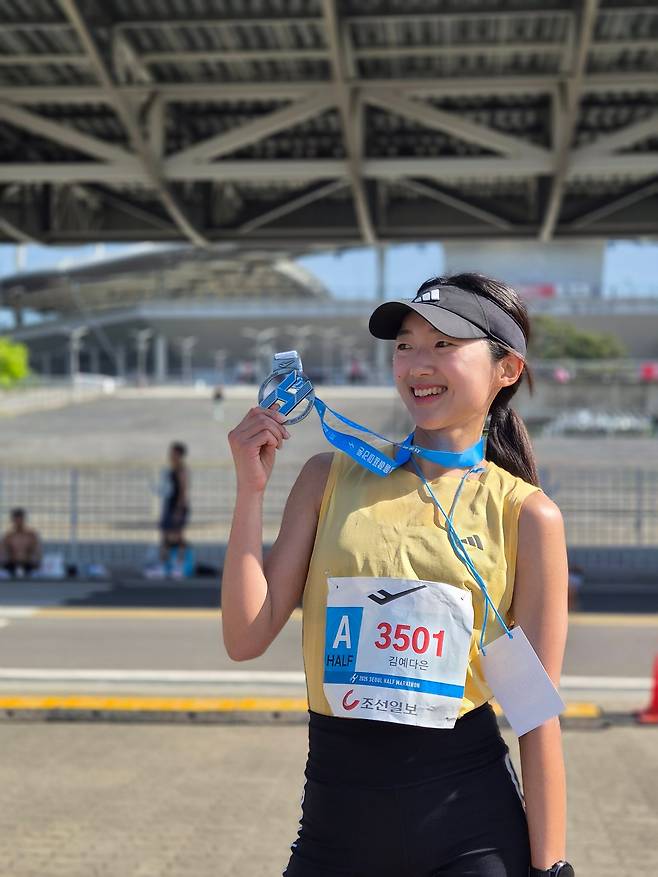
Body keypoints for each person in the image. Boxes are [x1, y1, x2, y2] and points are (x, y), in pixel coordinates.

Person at [223, 273, 572, 877]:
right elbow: (245, 637)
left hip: (473, 833)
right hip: (334, 829)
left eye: (444, 345)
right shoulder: (327, 477)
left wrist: (551, 869)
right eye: (405, 345)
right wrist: (249, 492)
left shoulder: (526, 513)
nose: (417, 363)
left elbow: (536, 714)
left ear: (506, 370)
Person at [159, 441, 190, 564]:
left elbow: (183, 491)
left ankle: (180, 562)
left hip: (177, 506)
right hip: (170, 504)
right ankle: (165, 563)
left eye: (172, 452)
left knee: (177, 535)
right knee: (166, 535)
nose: (170, 454)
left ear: (178, 454)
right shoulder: (172, 469)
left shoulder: (181, 470)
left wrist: (179, 510)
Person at [1, 508, 42, 577]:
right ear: (13, 520)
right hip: (11, 566)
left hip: (29, 566)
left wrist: (35, 562)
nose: (18, 522)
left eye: (20, 519)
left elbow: (37, 552)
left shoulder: (31, 535)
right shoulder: (8, 536)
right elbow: (2, 553)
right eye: (16, 520)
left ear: (24, 519)